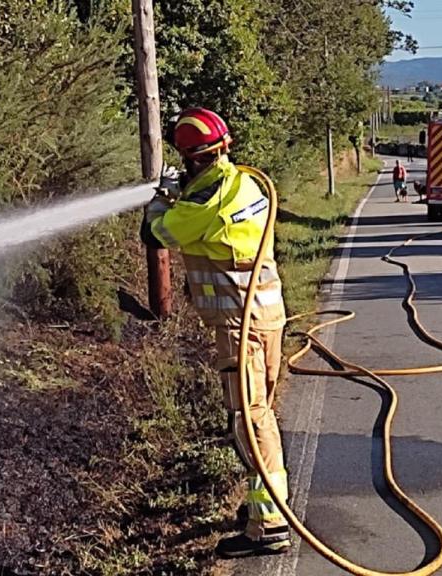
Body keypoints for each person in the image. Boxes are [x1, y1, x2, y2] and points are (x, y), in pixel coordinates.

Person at [140, 108, 291, 558]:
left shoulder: (203, 202)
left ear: (187, 156)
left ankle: (268, 523)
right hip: (267, 316)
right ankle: (264, 509)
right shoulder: (241, 182)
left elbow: (154, 235)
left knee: (248, 417)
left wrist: (160, 201)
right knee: (260, 413)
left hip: (237, 326)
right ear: (224, 145)